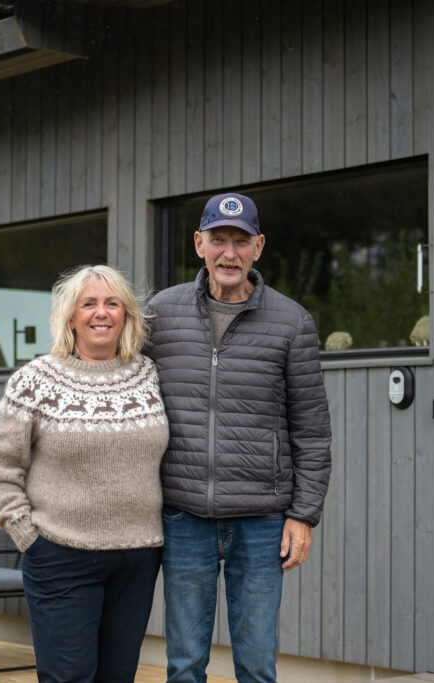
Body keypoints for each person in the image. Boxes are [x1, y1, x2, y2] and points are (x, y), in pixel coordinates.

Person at [145, 192, 332, 683]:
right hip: (184, 514)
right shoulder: (159, 315)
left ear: (259, 247)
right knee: (184, 664)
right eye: (219, 240)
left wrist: (303, 515)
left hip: (262, 521)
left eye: (241, 241)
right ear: (198, 244)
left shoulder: (292, 322)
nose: (229, 253)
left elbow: (311, 430)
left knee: (256, 664)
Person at [0, 264, 169, 683]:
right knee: (68, 677)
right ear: (70, 317)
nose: (101, 313)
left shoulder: (151, 376)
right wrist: (28, 536)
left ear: (127, 316)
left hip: (137, 559)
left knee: (117, 677)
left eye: (112, 303)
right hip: (60, 556)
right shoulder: (35, 381)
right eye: (89, 304)